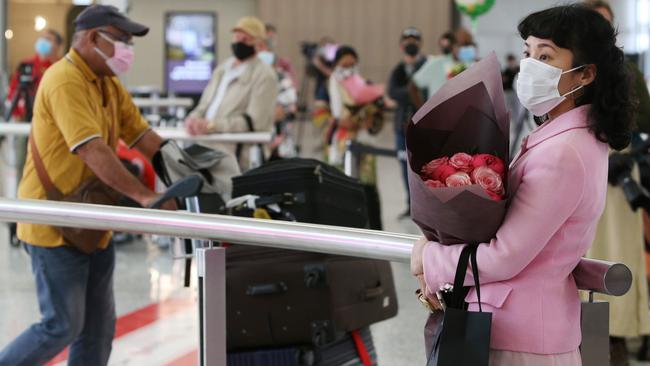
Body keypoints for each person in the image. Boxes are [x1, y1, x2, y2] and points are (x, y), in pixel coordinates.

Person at [411, 5, 634, 365]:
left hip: (521, 338)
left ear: (584, 75)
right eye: (528, 53)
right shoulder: (568, 137)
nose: (530, 65)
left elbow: (506, 255)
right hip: (524, 326)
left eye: (545, 55)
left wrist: (431, 256)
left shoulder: (564, 152)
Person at [0, 5, 175, 366]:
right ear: (94, 38)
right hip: (55, 225)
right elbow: (92, 150)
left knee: (97, 329)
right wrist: (145, 197)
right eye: (122, 40)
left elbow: (141, 135)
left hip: (93, 222)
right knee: (61, 325)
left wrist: (187, 169)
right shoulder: (65, 80)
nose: (128, 49)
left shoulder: (107, 83)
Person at [583, 1, 650, 364]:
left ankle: (618, 339)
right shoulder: (570, 70)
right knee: (585, 255)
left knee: (617, 257)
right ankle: (587, 338)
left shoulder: (628, 72)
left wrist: (626, 150)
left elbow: (646, 124)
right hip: (581, 173)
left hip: (619, 172)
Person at [185, 16, 277, 170]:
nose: (239, 41)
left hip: (237, 155)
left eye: (246, 39)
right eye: (236, 36)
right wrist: (193, 119)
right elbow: (204, 105)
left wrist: (213, 126)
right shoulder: (223, 69)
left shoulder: (264, 75)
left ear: (259, 44)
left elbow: (254, 122)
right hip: (206, 147)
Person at [327, 45, 384, 229]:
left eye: (352, 64)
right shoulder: (328, 85)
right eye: (344, 64)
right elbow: (319, 115)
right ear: (336, 64)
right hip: (340, 145)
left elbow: (377, 118)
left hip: (364, 145)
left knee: (368, 190)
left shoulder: (364, 83)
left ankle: (374, 232)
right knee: (341, 190)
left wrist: (369, 120)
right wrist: (337, 121)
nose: (348, 68)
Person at [387, 27, 427, 218]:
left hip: (424, 126)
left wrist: (411, 92)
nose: (411, 43)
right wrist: (412, 91)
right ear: (402, 44)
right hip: (401, 127)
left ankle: (425, 207)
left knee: (424, 167)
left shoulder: (427, 65)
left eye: (414, 39)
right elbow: (392, 92)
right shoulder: (398, 69)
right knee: (404, 167)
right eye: (407, 40)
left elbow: (430, 89)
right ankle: (410, 205)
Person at [6, 29, 64, 120]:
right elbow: (14, 91)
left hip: (53, 117)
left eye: (48, 39)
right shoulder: (26, 65)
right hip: (25, 118)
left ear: (57, 45)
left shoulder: (62, 66)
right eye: (42, 38)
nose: (43, 41)